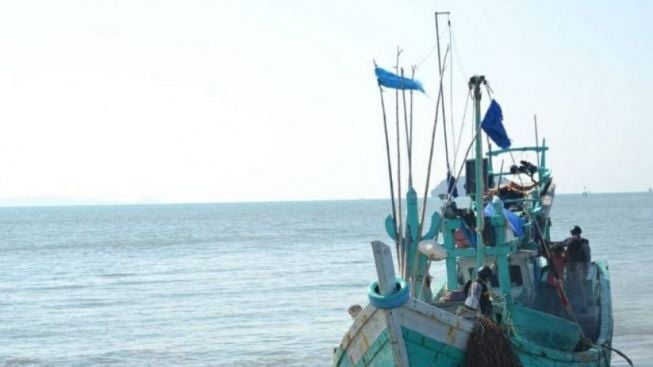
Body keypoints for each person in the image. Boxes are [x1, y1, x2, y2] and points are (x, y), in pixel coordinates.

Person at [563, 225, 591, 310]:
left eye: (575, 233)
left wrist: (587, 268)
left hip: (580, 265)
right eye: (573, 233)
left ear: (579, 234)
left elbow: (587, 256)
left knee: (580, 284)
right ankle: (571, 304)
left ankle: (584, 304)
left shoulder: (584, 243)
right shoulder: (569, 241)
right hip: (570, 265)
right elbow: (561, 244)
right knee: (570, 284)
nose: (574, 235)